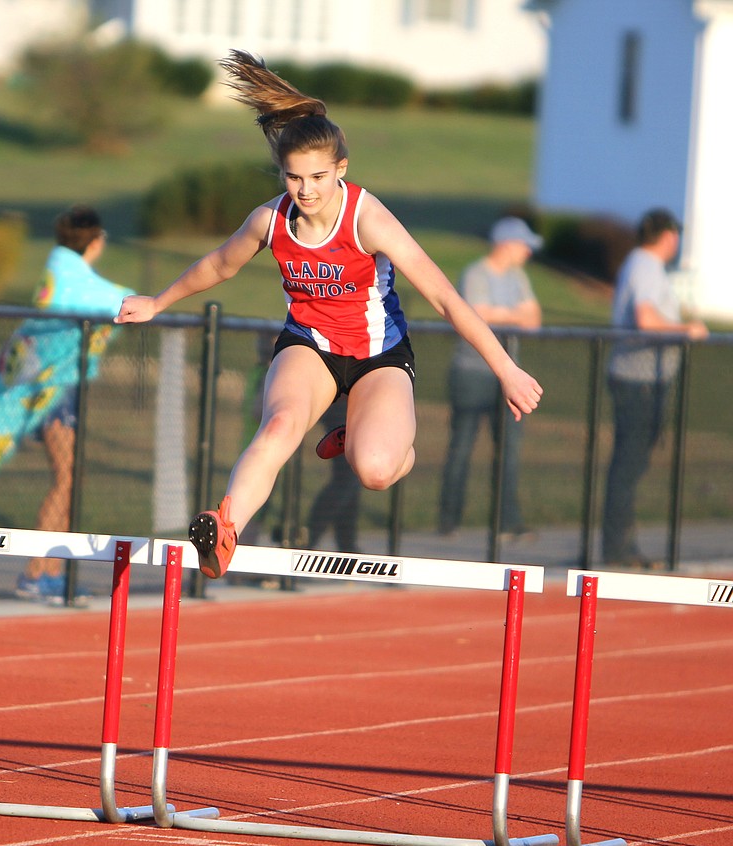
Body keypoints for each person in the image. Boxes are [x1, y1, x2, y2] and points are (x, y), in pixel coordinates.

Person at [114, 50, 543, 579]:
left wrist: (507, 369)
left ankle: (367, 436)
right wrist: (158, 301)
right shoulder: (270, 220)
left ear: (341, 169)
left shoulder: (369, 218)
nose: (307, 190)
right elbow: (219, 265)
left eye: (318, 177)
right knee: (281, 425)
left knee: (377, 470)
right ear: (282, 175)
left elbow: (447, 298)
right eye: (294, 178)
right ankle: (224, 529)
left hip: (378, 355)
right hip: (309, 346)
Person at [14, 205, 134, 603]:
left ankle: (51, 571)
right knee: (65, 479)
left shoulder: (63, 273)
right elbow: (116, 299)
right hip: (54, 387)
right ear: (95, 242)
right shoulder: (69, 279)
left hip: (57, 385)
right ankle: (37, 573)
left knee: (69, 480)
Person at [601, 208, 708, 568]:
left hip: (647, 379)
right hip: (638, 380)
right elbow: (646, 319)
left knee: (633, 463)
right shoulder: (645, 265)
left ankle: (622, 546)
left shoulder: (645, 266)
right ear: (667, 236)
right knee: (628, 464)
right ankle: (616, 549)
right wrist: (686, 331)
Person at [438, 216, 543, 537]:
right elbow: (476, 315)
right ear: (507, 244)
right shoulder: (476, 273)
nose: (527, 252)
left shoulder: (518, 277)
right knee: (462, 446)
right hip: (472, 374)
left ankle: (506, 522)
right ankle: (448, 520)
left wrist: (501, 316)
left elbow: (534, 319)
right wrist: (512, 316)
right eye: (523, 245)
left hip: (509, 379)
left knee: (509, 451)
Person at [306, 397, 361, 552]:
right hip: (340, 401)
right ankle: (308, 540)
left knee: (352, 476)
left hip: (354, 403)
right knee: (347, 478)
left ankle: (347, 548)